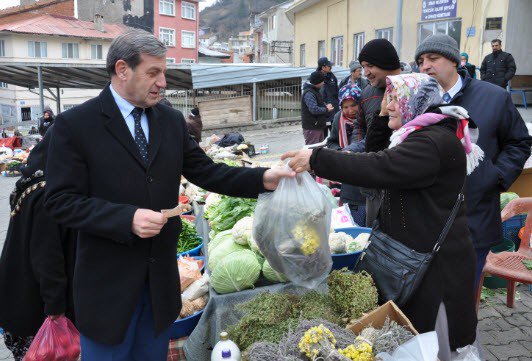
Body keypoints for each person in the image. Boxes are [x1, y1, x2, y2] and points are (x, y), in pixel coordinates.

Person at [43, 29, 293, 361]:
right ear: (122, 69)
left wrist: (264, 178)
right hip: (107, 291)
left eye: (164, 72)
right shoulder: (75, 125)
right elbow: (60, 201)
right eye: (153, 72)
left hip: (160, 286)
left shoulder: (171, 121)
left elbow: (207, 171)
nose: (163, 82)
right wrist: (126, 218)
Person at [282, 73, 481, 354]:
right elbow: (377, 153)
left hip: (435, 270)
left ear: (415, 102)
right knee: (413, 342)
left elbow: (381, 166)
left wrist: (316, 159)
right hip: (414, 259)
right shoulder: (418, 134)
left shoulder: (431, 143)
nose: (386, 107)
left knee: (433, 346)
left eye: (394, 98)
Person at [415, 34, 532, 287]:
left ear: (454, 61)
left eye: (433, 58)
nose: (425, 66)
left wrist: (495, 176)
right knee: (426, 298)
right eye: (421, 61)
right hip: (426, 220)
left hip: (473, 219)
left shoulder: (494, 97)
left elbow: (519, 142)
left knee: (462, 298)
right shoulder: (417, 102)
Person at [0, 126, 76, 361]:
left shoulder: (34, 178)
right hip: (35, 306)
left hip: (17, 293)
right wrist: (55, 311)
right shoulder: (48, 194)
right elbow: (48, 257)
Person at [357, 38, 402, 226]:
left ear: (386, 62)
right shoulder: (367, 93)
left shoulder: (413, 88)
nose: (365, 72)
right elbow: (361, 131)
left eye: (370, 65)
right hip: (374, 185)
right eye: (362, 67)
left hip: (403, 183)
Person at [326, 83, 366, 225]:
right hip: (345, 171)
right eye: (345, 107)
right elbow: (331, 142)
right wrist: (340, 153)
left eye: (353, 105)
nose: (349, 110)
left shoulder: (367, 117)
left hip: (364, 170)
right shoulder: (338, 118)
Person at [301, 70, 334, 145]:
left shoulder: (315, 90)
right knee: (312, 150)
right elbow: (314, 109)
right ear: (317, 82)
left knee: (319, 150)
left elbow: (318, 103)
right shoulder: (309, 93)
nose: (323, 83)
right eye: (322, 81)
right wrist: (326, 109)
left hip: (317, 126)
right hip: (312, 127)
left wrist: (325, 105)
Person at [317, 57, 339, 138]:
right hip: (323, 113)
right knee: (323, 137)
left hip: (334, 111)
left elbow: (337, 93)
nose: (331, 67)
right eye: (329, 66)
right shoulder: (316, 78)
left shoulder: (332, 77)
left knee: (336, 136)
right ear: (323, 67)